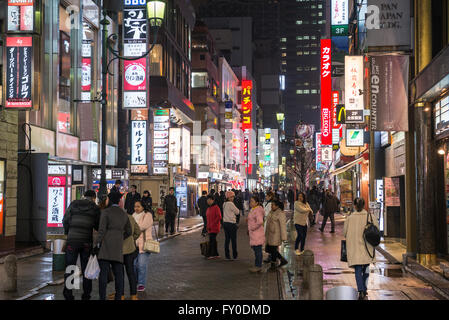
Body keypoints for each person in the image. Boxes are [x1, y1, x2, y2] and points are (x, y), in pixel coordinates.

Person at [62, 190, 101, 300]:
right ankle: (86, 295)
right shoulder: (94, 208)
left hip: (72, 241)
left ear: (84, 196)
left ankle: (68, 294)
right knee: (86, 269)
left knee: (70, 267)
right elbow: (98, 225)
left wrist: (68, 233)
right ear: (94, 197)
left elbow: (65, 220)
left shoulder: (74, 204)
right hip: (86, 243)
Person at [96, 192, 132, 300]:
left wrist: (97, 243)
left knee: (103, 273)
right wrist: (121, 237)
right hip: (118, 246)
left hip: (106, 245)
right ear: (119, 201)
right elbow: (129, 231)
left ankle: (102, 297)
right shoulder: (123, 213)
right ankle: (118, 297)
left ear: (109, 200)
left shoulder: (106, 212)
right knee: (119, 274)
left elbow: (101, 230)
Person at [344, 198, 379, 300]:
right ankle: (364, 288)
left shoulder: (350, 218)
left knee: (358, 269)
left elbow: (344, 233)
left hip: (355, 248)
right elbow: (376, 231)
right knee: (366, 268)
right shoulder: (370, 217)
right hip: (367, 247)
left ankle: (361, 290)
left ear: (354, 206)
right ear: (364, 205)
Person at [109, 207, 141, 300]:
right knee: (131, 272)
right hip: (130, 250)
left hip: (117, 250)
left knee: (119, 274)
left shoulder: (112, 218)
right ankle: (133, 295)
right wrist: (131, 240)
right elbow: (137, 232)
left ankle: (121, 295)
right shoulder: (130, 217)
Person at [133, 200, 154, 292]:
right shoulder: (133, 215)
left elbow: (142, 227)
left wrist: (132, 228)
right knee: (133, 265)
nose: (136, 208)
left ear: (143, 207)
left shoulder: (147, 215)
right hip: (134, 244)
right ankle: (136, 281)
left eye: (138, 206)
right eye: (135, 206)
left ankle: (141, 284)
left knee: (141, 265)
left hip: (144, 244)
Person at [265, 199, 288, 270]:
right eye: (271, 205)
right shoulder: (271, 212)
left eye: (273, 205)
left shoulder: (280, 213)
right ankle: (282, 260)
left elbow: (283, 226)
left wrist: (284, 237)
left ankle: (273, 265)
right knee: (271, 249)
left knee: (273, 250)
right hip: (270, 234)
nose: (271, 206)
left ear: (277, 206)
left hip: (276, 235)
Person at [247, 195, 266, 273]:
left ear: (257, 203)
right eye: (250, 201)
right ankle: (257, 264)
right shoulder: (253, 209)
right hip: (254, 234)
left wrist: (252, 227)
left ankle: (258, 266)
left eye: (252, 201)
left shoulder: (257, 210)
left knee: (258, 250)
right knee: (256, 250)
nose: (250, 202)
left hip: (257, 234)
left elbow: (260, 221)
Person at [222, 191, 240, 260]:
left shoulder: (224, 204)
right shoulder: (231, 204)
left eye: (233, 197)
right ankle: (234, 255)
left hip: (225, 223)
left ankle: (227, 255)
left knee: (227, 240)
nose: (233, 198)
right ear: (228, 197)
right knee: (233, 240)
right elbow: (237, 212)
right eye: (231, 197)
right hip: (231, 224)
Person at [206, 195, 222, 260]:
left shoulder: (216, 207)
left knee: (212, 240)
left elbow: (219, 217)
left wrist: (211, 225)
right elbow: (208, 218)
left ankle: (211, 254)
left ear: (213, 200)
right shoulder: (208, 208)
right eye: (207, 200)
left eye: (209, 200)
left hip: (214, 227)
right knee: (213, 240)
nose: (208, 201)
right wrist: (207, 226)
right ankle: (215, 254)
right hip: (210, 227)